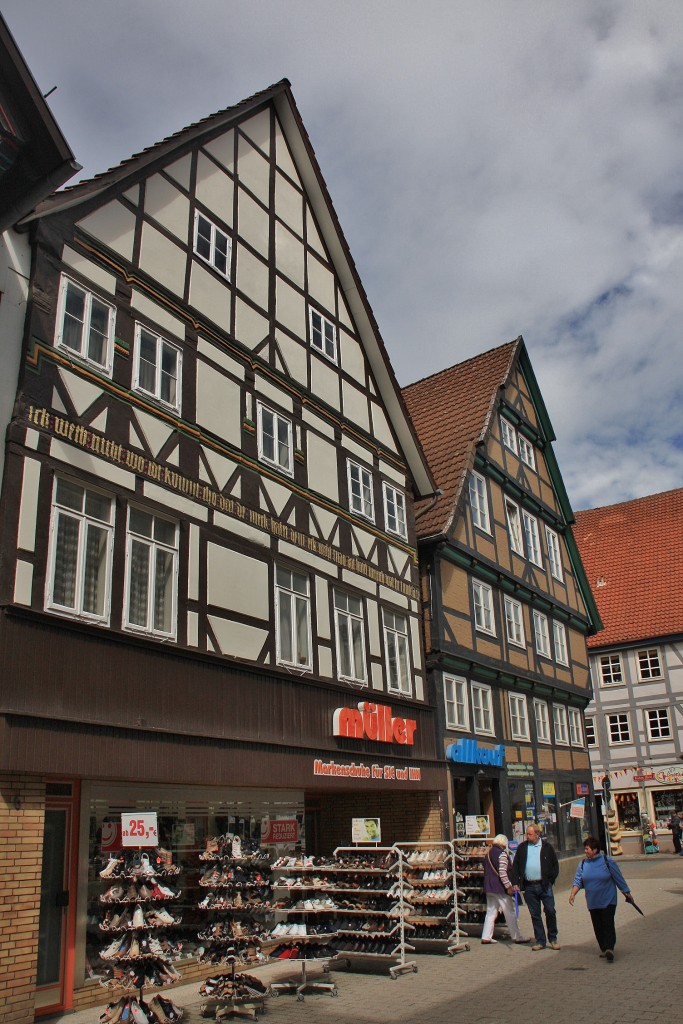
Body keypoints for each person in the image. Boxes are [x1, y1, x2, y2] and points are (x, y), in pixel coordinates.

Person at [568, 836, 632, 962]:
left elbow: (618, 878)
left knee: (607, 923)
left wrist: (626, 893)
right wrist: (573, 894)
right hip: (593, 901)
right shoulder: (582, 864)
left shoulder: (607, 861)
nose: (585, 851)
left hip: (608, 899)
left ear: (595, 850)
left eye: (587, 849)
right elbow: (578, 881)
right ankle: (604, 948)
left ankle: (609, 948)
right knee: (598, 926)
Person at [509, 823, 560, 951]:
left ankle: (553, 938)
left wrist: (550, 879)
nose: (528, 836)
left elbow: (555, 865)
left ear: (537, 834)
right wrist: (515, 882)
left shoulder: (547, 847)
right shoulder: (522, 848)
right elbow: (515, 866)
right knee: (535, 914)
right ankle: (540, 940)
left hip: (544, 885)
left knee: (550, 911)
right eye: (527, 834)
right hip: (529, 886)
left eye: (530, 834)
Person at [481, 835, 531, 945]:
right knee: (509, 912)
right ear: (503, 843)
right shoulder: (502, 854)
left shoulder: (488, 854)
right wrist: (508, 886)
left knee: (490, 912)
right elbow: (503, 872)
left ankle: (486, 936)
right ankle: (516, 936)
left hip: (489, 887)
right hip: (500, 888)